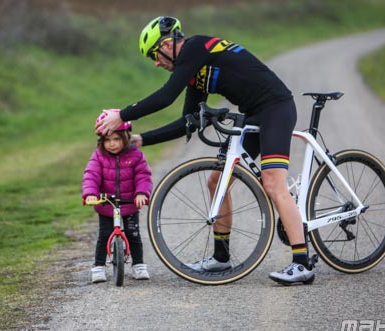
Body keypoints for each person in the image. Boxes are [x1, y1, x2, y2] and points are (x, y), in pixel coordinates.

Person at [95, 16, 313, 285]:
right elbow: (189, 121)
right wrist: (139, 140)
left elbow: (165, 96)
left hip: (276, 108)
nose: (156, 62)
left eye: (155, 55)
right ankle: (221, 258)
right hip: (254, 115)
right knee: (217, 180)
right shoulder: (195, 74)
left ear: (167, 44)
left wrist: (123, 114)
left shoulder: (196, 47)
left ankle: (302, 264)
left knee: (272, 183)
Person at [82, 113, 153, 283]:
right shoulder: (99, 156)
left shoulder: (136, 156)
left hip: (129, 203)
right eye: (107, 140)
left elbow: (143, 176)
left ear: (126, 137)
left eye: (116, 139)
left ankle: (139, 265)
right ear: (101, 141)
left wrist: (142, 193)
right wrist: (90, 194)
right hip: (107, 204)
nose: (111, 144)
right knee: (104, 234)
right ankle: (98, 266)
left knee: (133, 234)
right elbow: (91, 175)